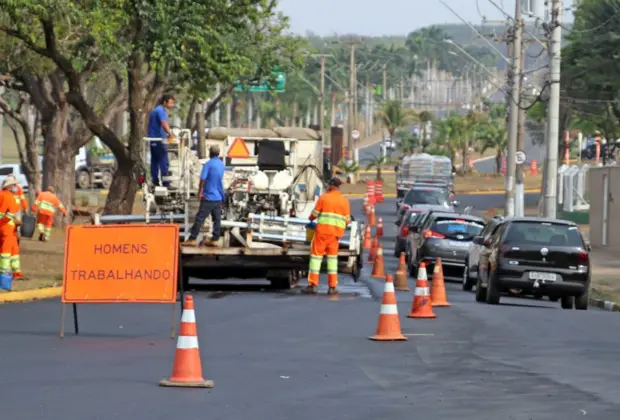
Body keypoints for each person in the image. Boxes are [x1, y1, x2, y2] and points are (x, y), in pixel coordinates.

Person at [302, 177, 351, 295]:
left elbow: (314, 214)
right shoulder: (344, 201)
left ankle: (313, 285)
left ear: (331, 186)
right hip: (335, 236)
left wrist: (310, 219)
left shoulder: (324, 198)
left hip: (322, 233)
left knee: (316, 258)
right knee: (332, 260)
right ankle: (332, 287)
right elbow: (348, 220)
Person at [182, 145, 225, 247]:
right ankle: (215, 239)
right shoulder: (221, 165)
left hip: (208, 197)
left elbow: (202, 179)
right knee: (217, 219)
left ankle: (192, 239)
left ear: (210, 153)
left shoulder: (208, 164)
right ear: (218, 154)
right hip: (218, 197)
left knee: (200, 218)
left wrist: (200, 192)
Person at [147, 94, 176, 187]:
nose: (172, 105)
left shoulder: (157, 110)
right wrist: (171, 134)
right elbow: (164, 123)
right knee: (164, 161)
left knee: (155, 160)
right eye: (171, 103)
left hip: (154, 139)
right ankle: (166, 183)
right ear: (165, 102)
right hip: (158, 139)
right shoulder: (160, 111)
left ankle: (155, 181)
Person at [0, 177, 22, 288]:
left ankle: (16, 272)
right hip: (7, 227)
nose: (15, 187)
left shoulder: (2, 195)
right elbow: (9, 215)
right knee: (6, 252)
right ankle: (5, 274)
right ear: (9, 186)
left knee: (13, 251)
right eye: (13, 185)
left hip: (7, 228)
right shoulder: (10, 197)